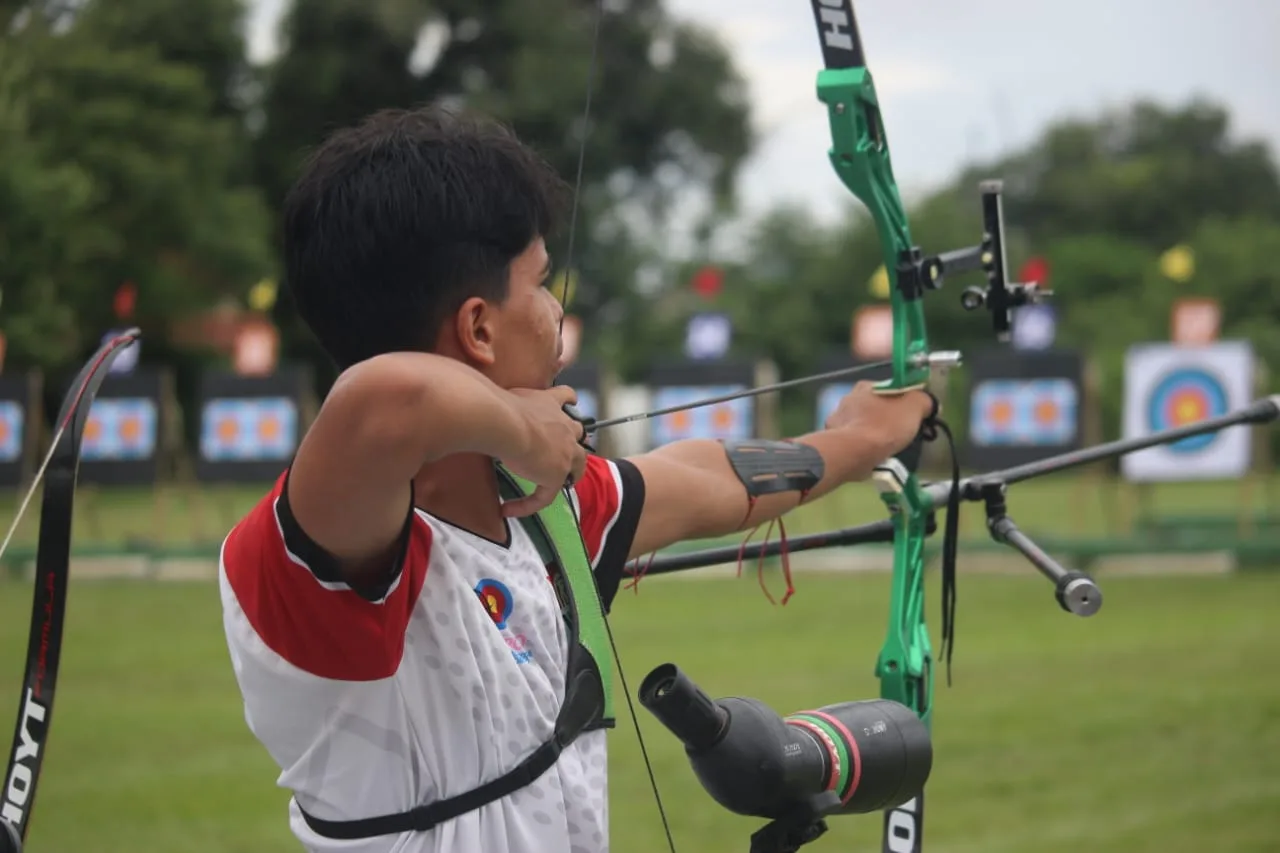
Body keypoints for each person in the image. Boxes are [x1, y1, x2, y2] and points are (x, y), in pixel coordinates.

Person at [218, 105, 936, 853]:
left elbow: (709, 479)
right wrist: (524, 428)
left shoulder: (544, 512)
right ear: (479, 329)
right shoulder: (314, 558)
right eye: (539, 282)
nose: (556, 309)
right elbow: (383, 402)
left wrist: (863, 436)